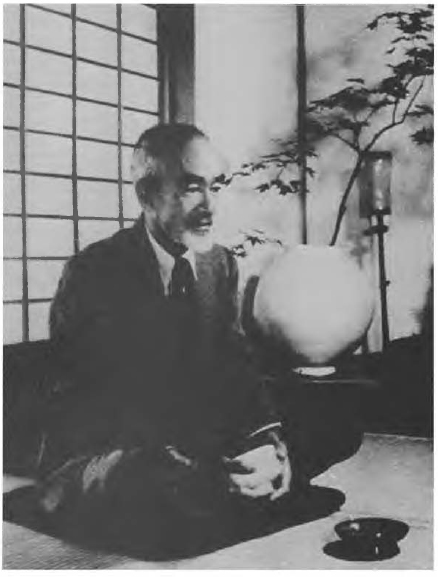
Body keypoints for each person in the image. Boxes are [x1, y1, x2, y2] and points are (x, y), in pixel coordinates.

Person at [36, 124, 361, 558]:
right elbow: (110, 399)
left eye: (216, 187)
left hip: (195, 442)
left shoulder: (219, 265)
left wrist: (267, 444)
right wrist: (210, 453)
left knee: (337, 426)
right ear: (147, 196)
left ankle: (238, 483)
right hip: (112, 449)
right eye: (192, 189)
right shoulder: (94, 273)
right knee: (157, 480)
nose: (209, 206)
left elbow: (237, 368)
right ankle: (223, 488)